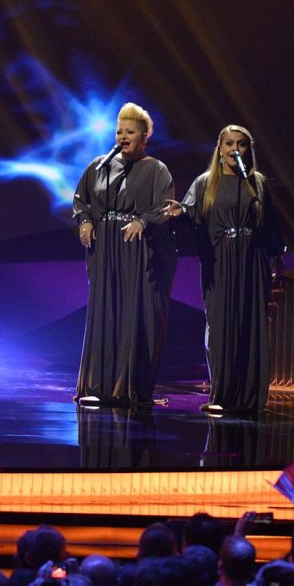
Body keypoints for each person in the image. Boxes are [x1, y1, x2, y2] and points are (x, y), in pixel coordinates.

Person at [163, 125, 284, 414]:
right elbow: (190, 211)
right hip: (220, 260)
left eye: (241, 144)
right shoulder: (205, 183)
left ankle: (250, 398)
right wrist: (180, 211)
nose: (235, 149)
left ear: (248, 150)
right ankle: (222, 394)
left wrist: (276, 258)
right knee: (220, 326)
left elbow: (270, 226)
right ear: (219, 149)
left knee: (250, 325)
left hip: (252, 261)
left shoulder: (257, 183)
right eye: (229, 143)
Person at [72, 102, 177, 408]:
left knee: (133, 313)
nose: (123, 136)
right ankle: (99, 385)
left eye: (130, 131)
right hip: (105, 248)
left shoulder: (156, 169)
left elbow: (165, 206)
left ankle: (129, 387)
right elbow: (81, 199)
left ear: (144, 137)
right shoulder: (99, 166)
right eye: (119, 131)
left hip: (137, 250)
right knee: (105, 311)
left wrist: (143, 221)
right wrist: (85, 220)